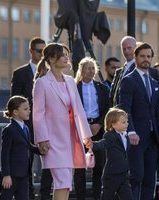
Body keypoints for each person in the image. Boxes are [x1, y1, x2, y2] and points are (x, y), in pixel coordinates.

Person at [32, 43, 93, 200]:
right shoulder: (42, 83)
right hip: (52, 141)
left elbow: (79, 110)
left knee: (66, 183)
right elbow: (38, 114)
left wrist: (86, 135)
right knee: (63, 181)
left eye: (67, 54)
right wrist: (42, 139)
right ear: (52, 59)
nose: (67, 57)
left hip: (71, 139)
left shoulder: (70, 81)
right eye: (63, 54)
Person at [119, 42, 159, 200]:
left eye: (149, 56)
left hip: (152, 139)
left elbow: (156, 113)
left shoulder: (154, 82)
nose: (146, 59)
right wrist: (131, 131)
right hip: (136, 137)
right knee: (136, 176)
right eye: (142, 56)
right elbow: (124, 108)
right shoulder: (128, 80)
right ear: (135, 57)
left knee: (150, 180)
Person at [10, 37, 46, 200]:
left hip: (46, 124)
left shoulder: (51, 73)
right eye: (39, 51)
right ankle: (29, 195)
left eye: (45, 51)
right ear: (31, 51)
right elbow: (14, 101)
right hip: (28, 125)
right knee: (27, 164)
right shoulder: (20, 73)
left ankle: (46, 194)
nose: (42, 54)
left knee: (49, 162)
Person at [74, 57, 111, 200]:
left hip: (98, 129)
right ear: (81, 70)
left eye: (92, 68)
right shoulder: (74, 87)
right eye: (88, 68)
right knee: (79, 167)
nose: (91, 70)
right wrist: (83, 125)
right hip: (80, 128)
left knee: (99, 166)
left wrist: (99, 124)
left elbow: (108, 107)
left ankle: (97, 197)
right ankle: (80, 197)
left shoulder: (101, 87)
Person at [0, 96, 42, 200]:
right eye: (26, 109)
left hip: (24, 173)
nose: (29, 111)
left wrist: (40, 150)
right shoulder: (9, 130)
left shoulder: (25, 128)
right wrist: (6, 175)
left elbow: (28, 145)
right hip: (11, 175)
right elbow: (4, 154)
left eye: (29, 109)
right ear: (15, 112)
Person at [89, 107, 133, 200]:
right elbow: (102, 143)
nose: (127, 124)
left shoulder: (126, 135)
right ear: (113, 124)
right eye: (123, 122)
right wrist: (92, 144)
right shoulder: (110, 135)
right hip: (112, 175)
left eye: (127, 121)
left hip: (123, 174)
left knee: (128, 197)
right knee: (106, 197)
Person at [111, 36, 159, 107]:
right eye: (124, 49)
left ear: (136, 48)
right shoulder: (119, 71)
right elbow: (113, 95)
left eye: (129, 48)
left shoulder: (150, 71)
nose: (126, 51)